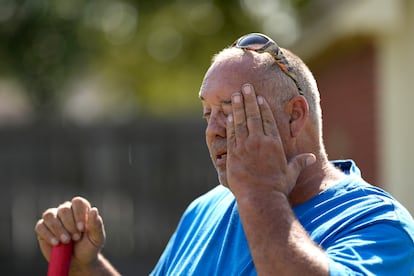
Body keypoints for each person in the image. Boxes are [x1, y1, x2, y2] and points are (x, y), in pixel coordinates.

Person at [35, 33, 414, 275]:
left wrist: (261, 195)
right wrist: (89, 266)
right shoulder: (206, 209)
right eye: (207, 113)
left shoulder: (379, 226)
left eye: (233, 110)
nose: (213, 129)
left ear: (295, 115)